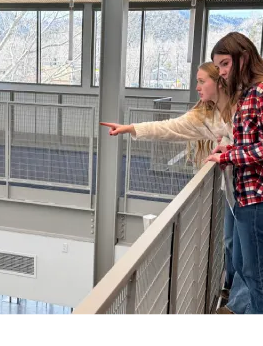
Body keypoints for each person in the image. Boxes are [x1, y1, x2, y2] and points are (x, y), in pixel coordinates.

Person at [101, 62, 249, 315]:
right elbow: (171, 127)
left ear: (219, 82)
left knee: (252, 263)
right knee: (233, 246)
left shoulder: (239, 110)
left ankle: (248, 305)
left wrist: (226, 144)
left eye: (202, 81)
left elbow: (254, 141)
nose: (197, 86)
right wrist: (131, 129)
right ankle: (238, 298)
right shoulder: (207, 115)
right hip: (235, 191)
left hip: (252, 194)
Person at [206, 32, 263, 319]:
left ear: (243, 58)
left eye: (225, 64)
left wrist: (230, 156)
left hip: (262, 198)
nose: (220, 72)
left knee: (257, 276)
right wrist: (229, 148)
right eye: (218, 66)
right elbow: (255, 141)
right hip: (252, 196)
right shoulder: (250, 93)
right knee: (251, 271)